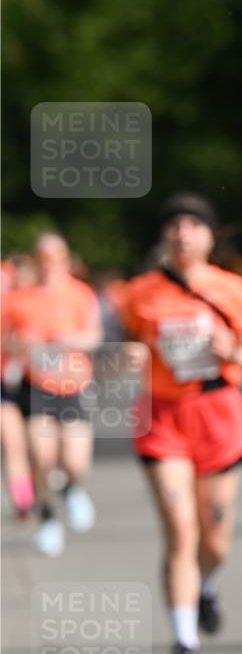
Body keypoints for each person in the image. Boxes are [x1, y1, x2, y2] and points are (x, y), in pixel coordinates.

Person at [121, 194, 242, 654]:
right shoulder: (140, 292)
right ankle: (184, 643)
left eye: (193, 225)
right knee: (180, 530)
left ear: (208, 236)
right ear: (164, 236)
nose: (183, 233)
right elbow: (129, 345)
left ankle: (207, 585)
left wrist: (233, 351)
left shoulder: (232, 289)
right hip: (162, 417)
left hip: (218, 412)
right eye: (174, 225)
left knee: (215, 538)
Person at [2, 235, 102, 555]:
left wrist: (67, 340)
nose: (49, 263)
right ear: (35, 259)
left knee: (75, 461)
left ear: (65, 258)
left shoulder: (79, 293)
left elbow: (94, 336)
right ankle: (47, 519)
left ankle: (72, 488)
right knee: (40, 456)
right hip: (37, 387)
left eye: (55, 256)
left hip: (73, 386)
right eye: (43, 256)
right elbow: (5, 341)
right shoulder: (18, 298)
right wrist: (20, 343)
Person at [1, 254, 38, 519]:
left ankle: (40, 487)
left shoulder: (45, 304)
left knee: (36, 446)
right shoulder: (6, 304)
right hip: (7, 382)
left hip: (39, 383)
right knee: (12, 444)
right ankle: (22, 501)